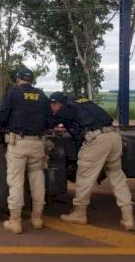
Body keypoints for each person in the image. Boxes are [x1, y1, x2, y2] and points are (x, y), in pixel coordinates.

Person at [49, 92, 134, 230]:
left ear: (56, 103)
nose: (52, 109)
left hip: (97, 140)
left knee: (84, 177)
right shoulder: (82, 102)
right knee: (117, 177)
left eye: (51, 106)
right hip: (114, 136)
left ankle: (79, 213)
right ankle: (128, 216)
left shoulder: (64, 109)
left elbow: (48, 122)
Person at [0, 68, 51, 234]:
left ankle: (15, 221)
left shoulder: (13, 93)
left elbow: (1, 117)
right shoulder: (41, 95)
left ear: (18, 79)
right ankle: (37, 218)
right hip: (37, 143)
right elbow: (49, 120)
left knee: (16, 181)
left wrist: (6, 127)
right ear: (31, 80)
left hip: (18, 143)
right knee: (37, 179)